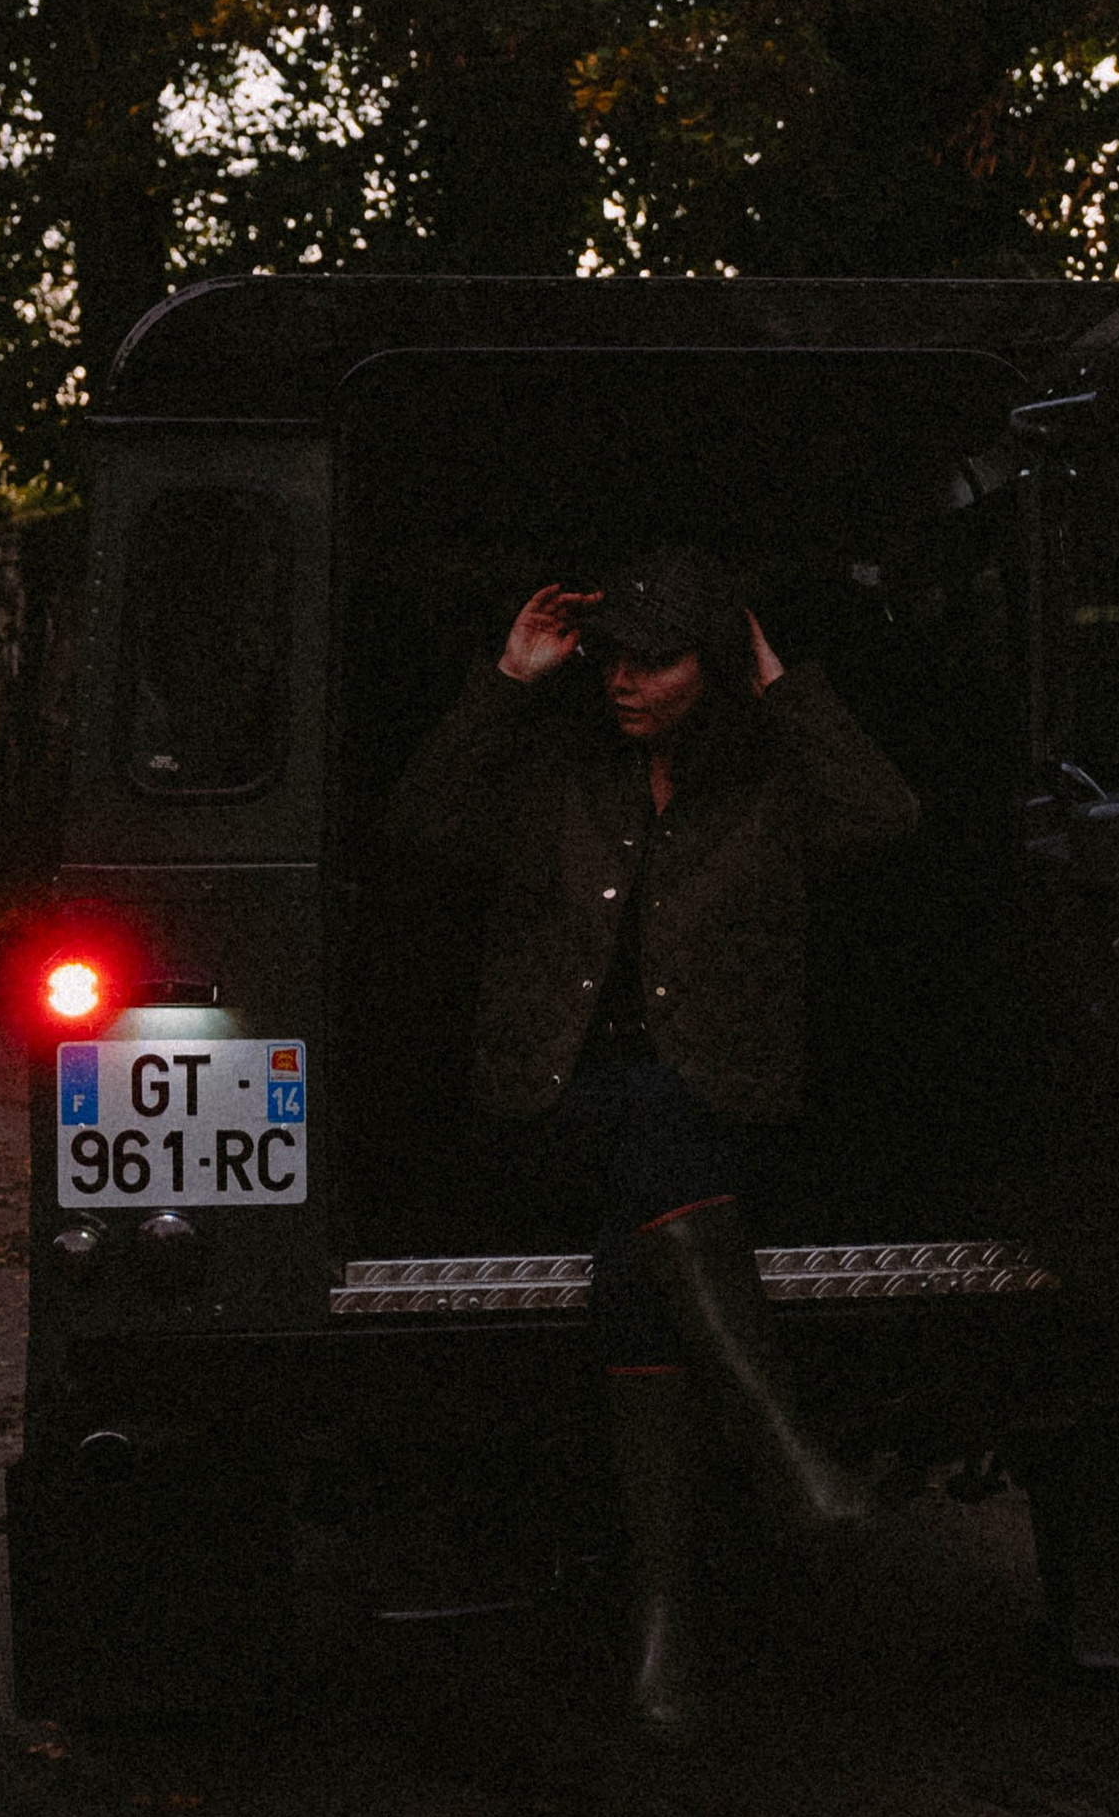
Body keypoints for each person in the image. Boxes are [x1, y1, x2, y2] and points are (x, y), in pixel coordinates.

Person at [391, 549, 919, 1739]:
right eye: (611, 657)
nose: (623, 679)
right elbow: (419, 821)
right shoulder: (556, 770)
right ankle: (792, 1465)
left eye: (657, 659)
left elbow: (888, 817)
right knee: (646, 1119)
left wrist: (784, 685)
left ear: (715, 669)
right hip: (555, 1102)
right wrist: (507, 680)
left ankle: (661, 1643)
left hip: (716, 1115)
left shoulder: (771, 784)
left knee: (644, 1265)